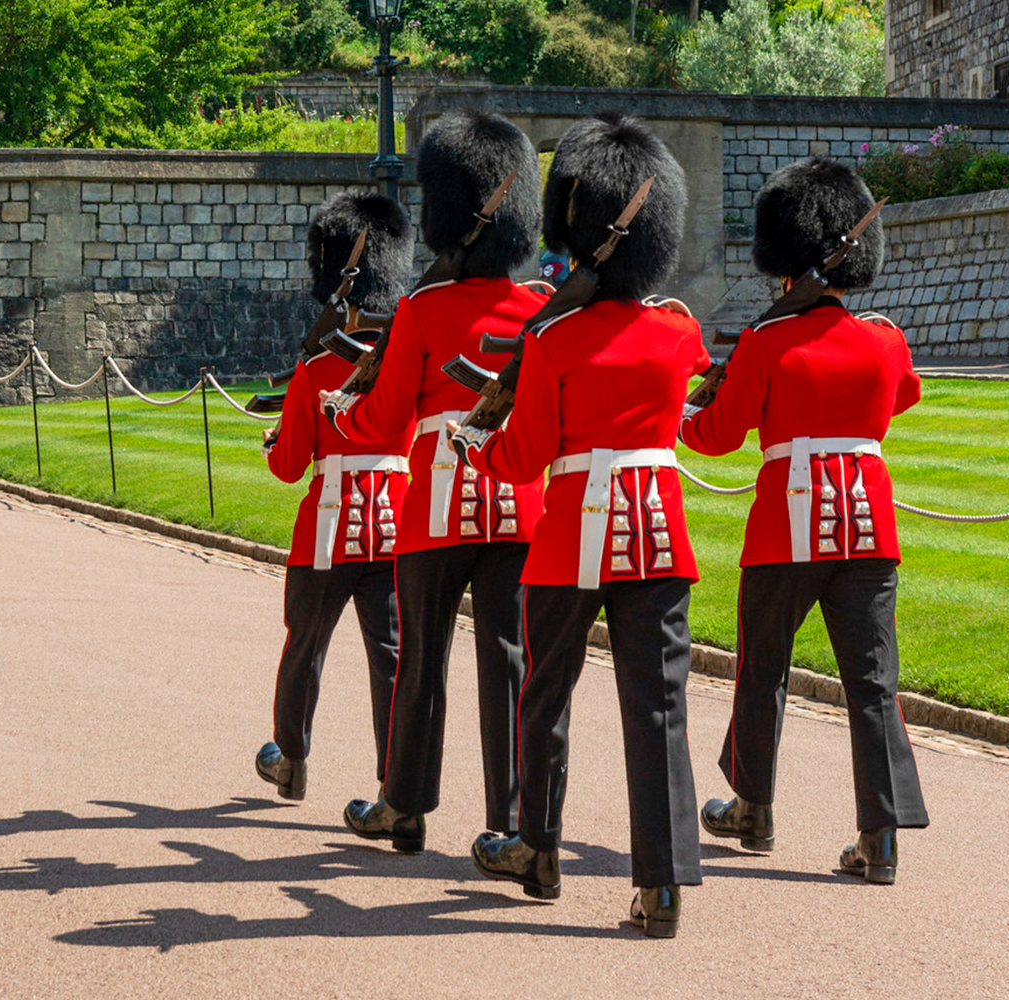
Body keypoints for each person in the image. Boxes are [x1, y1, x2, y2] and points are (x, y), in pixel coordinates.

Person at [451, 112, 706, 938]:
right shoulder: (680, 330)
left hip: (570, 540)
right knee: (658, 711)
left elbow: (524, 459)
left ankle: (538, 849)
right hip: (658, 538)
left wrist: (473, 449)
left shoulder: (555, 341)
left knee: (545, 696)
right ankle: (660, 887)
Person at [681, 155, 930, 885]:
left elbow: (717, 435)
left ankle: (752, 809)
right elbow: (903, 395)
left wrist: (679, 413)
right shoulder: (884, 337)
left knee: (763, 671)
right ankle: (880, 838)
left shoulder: (766, 342)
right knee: (873, 682)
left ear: (788, 263)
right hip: (868, 526)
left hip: (785, 527)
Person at [324, 108, 547, 851]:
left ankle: (404, 805)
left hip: (436, 513)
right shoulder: (541, 311)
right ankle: (511, 821)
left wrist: (344, 413)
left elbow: (385, 421)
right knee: (509, 662)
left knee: (421, 661)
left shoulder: (421, 311)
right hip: (518, 507)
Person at [255, 191, 415, 802]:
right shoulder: (406, 362)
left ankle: (291, 760)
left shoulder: (318, 367)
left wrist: (273, 443)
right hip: (394, 524)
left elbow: (290, 465)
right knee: (391, 659)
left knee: (305, 647)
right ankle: (394, 782)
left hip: (327, 528)